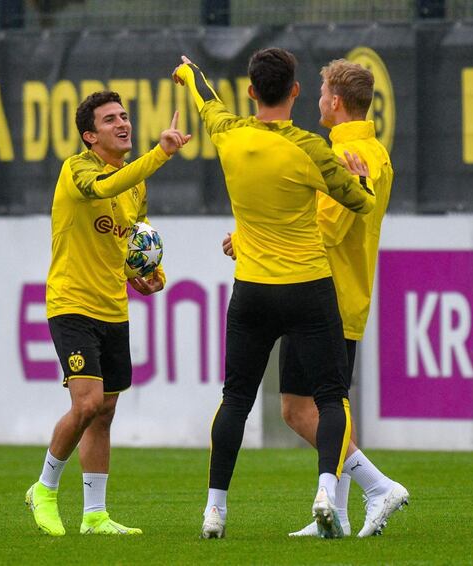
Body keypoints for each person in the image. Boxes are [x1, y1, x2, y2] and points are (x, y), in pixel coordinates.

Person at [173, 49, 376, 539]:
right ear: (296, 92)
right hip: (307, 287)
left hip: (253, 290)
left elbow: (205, 99)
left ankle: (214, 509)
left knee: (236, 398)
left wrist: (187, 72)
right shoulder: (310, 147)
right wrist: (360, 179)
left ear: (250, 91)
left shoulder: (229, 134)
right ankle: (327, 491)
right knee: (330, 397)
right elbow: (361, 204)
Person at [222, 58, 408, 538]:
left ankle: (377, 486)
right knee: (317, 405)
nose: (317, 100)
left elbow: (324, 225)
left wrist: (247, 239)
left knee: (310, 407)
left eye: (323, 93)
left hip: (327, 294)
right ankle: (341, 514)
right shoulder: (366, 150)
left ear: (336, 102)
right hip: (335, 290)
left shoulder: (349, 155)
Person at [25, 91, 190, 536]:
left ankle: (95, 514)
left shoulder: (136, 183)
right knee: (87, 403)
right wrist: (162, 153)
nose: (123, 124)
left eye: (124, 116)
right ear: (89, 135)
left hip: (113, 308)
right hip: (71, 304)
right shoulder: (78, 169)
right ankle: (43, 488)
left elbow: (132, 240)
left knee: (105, 412)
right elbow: (103, 188)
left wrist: (148, 275)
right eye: (110, 119)